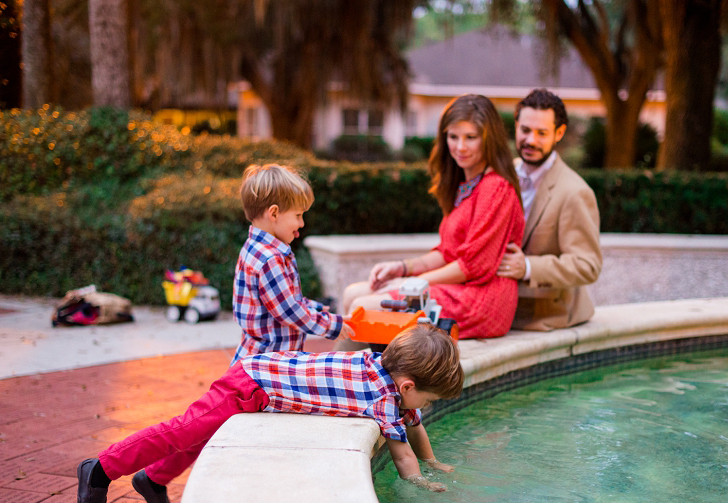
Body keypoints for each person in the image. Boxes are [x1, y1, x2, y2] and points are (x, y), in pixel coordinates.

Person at [76, 324, 463, 503]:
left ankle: (154, 479)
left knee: (200, 434)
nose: (423, 408)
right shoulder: (382, 398)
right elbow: (401, 456)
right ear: (408, 386)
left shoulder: (387, 374)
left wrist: (433, 460)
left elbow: (414, 426)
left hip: (261, 378)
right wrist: (421, 481)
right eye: (428, 399)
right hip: (251, 384)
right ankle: (101, 470)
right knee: (184, 431)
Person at [341, 95, 524, 339]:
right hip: (457, 288)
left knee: (362, 307)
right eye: (453, 136)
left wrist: (413, 284)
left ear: (489, 139)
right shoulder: (466, 186)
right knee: (352, 294)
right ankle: (343, 372)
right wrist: (402, 268)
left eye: (471, 137)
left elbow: (473, 266)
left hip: (481, 299)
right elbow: (446, 252)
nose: (460, 147)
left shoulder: (495, 187)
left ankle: (351, 374)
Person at [496, 89, 602, 331]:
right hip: (500, 309)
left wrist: (528, 267)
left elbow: (588, 265)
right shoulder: (502, 174)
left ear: (559, 133)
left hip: (547, 316)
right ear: (516, 126)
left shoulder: (575, 192)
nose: (531, 140)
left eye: (541, 133)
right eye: (525, 130)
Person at [232, 164, 353, 363]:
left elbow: (287, 301)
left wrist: (324, 313)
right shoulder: (270, 259)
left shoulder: (254, 248)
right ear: (274, 214)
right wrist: (331, 327)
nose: (301, 224)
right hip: (269, 362)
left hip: (259, 355)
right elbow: (290, 311)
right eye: (298, 215)